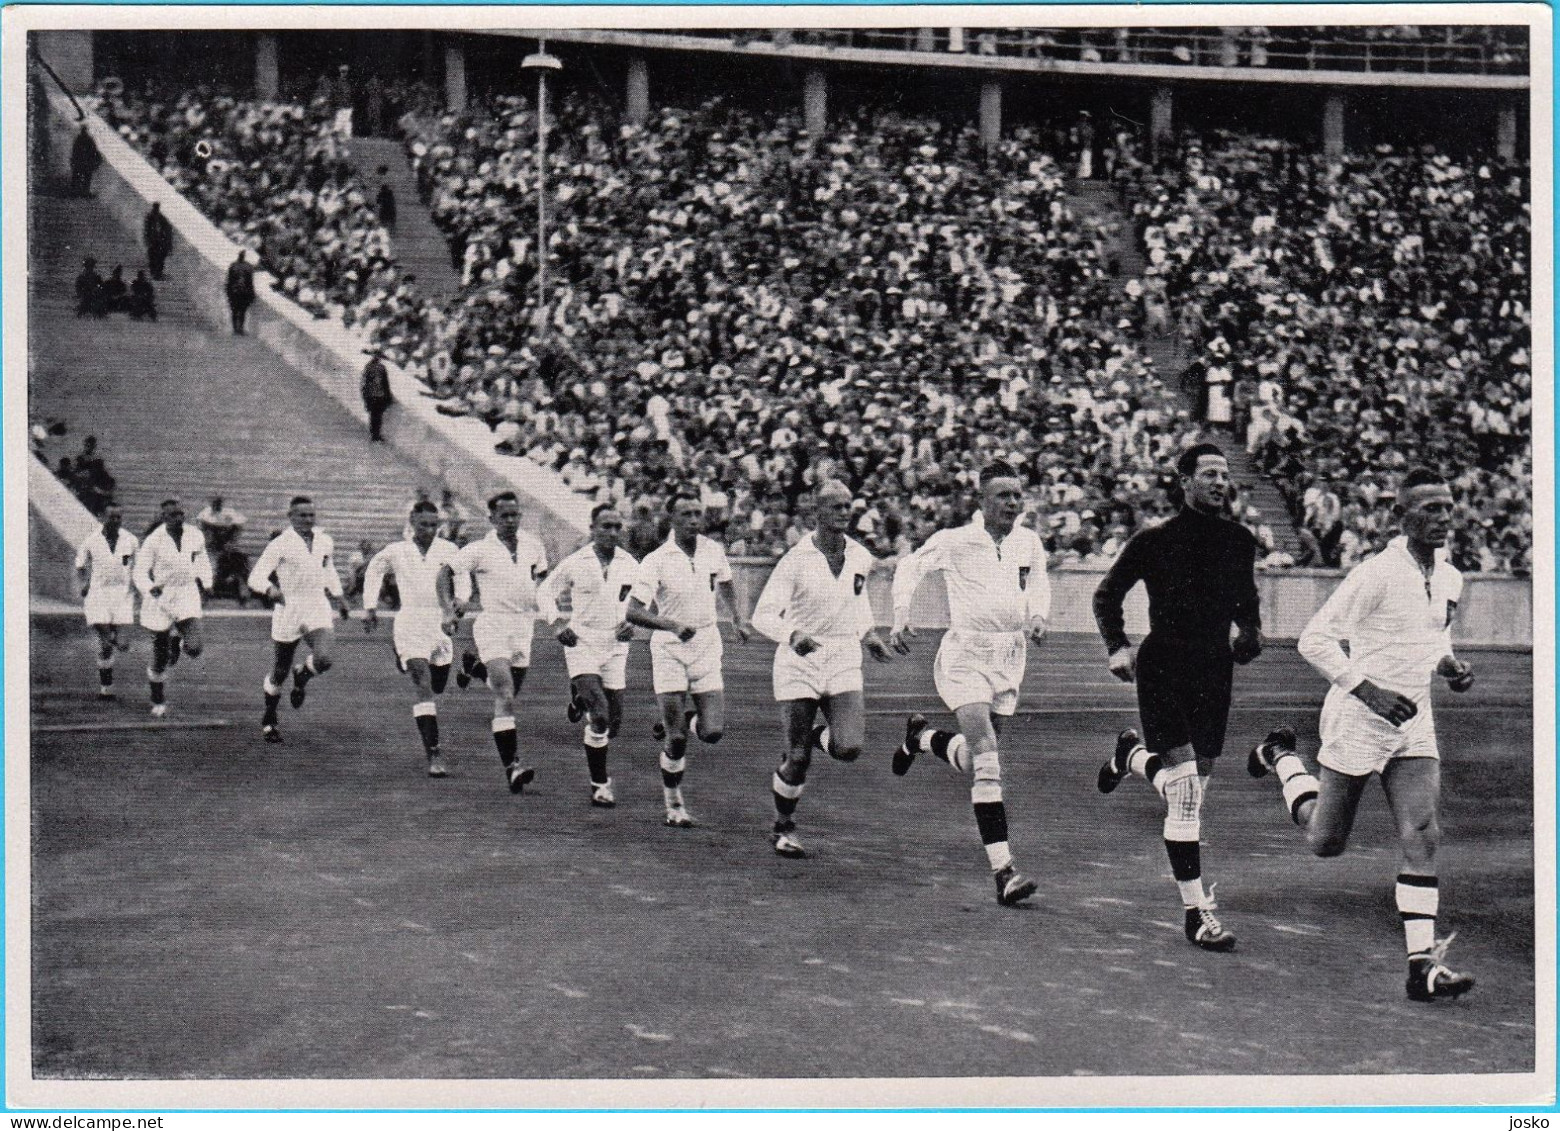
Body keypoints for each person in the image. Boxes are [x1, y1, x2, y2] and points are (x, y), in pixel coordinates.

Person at [1248, 467, 1477, 1001]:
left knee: (1423, 835)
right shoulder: (1375, 573)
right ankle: (1282, 758)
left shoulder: (1449, 576)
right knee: (1325, 842)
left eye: (1447, 507)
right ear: (1401, 516)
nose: (1443, 517)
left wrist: (1449, 666)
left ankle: (1422, 966)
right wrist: (1368, 691)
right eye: (1429, 508)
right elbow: (1314, 639)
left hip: (1414, 722)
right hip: (1358, 718)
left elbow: (1432, 639)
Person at [1092, 442, 1263, 952]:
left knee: (1190, 792)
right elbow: (1107, 595)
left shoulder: (1240, 540)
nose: (1218, 482)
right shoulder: (1154, 540)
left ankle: (1133, 757)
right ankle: (1197, 914)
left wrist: (1250, 632)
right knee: (1187, 793)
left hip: (1214, 669)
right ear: (1184, 481)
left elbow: (1246, 599)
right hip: (1164, 664)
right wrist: (1117, 646)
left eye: (1224, 474)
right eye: (1208, 473)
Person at [888, 460, 1052, 907]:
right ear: (982, 500)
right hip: (967, 656)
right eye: (1003, 495)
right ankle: (1004, 871)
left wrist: (1038, 616)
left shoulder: (1029, 542)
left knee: (979, 756)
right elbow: (909, 569)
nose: (1012, 503)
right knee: (987, 760)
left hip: (1010, 655)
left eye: (1017, 495)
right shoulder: (956, 541)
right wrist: (902, 617)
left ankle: (922, 740)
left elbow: (1037, 584)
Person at [751, 480, 893, 858]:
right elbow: (762, 615)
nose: (844, 513)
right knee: (797, 759)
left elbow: (857, 601)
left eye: (848, 506)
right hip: (800, 660)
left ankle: (815, 735)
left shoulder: (860, 555)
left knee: (849, 747)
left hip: (843, 657)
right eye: (836, 507)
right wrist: (791, 633)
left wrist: (869, 634)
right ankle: (783, 826)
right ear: (818, 511)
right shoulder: (796, 560)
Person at [628, 489, 753, 828]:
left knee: (712, 732)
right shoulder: (656, 559)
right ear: (671, 519)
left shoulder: (713, 550)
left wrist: (738, 619)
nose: (694, 520)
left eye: (697, 513)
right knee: (678, 738)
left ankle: (684, 717)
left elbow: (725, 583)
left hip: (707, 644)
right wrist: (670, 624)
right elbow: (633, 612)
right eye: (686, 514)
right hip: (670, 648)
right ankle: (674, 804)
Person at [537, 503, 643, 808]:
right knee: (599, 715)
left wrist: (631, 625)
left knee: (614, 724)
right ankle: (600, 784)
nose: (611, 532)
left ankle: (578, 697)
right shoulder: (576, 562)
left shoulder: (630, 564)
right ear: (592, 528)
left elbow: (642, 603)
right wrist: (557, 623)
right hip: (582, 641)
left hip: (615, 644)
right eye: (605, 526)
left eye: (616, 527)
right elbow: (545, 592)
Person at [442, 492, 549, 793]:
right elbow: (446, 571)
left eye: (515, 515)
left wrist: (539, 598)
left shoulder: (533, 545)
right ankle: (513, 767)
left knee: (511, 688)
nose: (512, 521)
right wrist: (448, 608)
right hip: (493, 624)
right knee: (505, 695)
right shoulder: (479, 549)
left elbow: (542, 575)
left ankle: (475, 669)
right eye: (505, 516)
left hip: (523, 626)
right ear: (492, 519)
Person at [363, 501, 461, 776]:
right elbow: (374, 570)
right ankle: (434, 753)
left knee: (439, 683)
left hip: (439, 622)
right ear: (412, 521)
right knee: (423, 684)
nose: (429, 530)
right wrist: (370, 606)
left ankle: (405, 658)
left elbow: (462, 575)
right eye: (423, 524)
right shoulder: (397, 551)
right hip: (409, 621)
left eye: (434, 525)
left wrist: (459, 603)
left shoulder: (449, 550)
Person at [247, 496, 351, 744]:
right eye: (302, 515)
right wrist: (271, 590)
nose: (307, 520)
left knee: (324, 658)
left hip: (316, 604)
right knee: (280, 671)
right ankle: (270, 718)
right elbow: (255, 577)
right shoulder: (280, 544)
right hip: (289, 607)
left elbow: (328, 569)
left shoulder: (325, 541)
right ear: (291, 516)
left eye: (311, 515)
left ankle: (304, 673)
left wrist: (339, 596)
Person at [133, 498, 212, 718]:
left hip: (186, 592)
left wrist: (207, 582)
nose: (178, 518)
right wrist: (149, 588)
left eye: (180, 514)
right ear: (164, 517)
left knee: (195, 648)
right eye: (172, 515)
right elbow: (139, 571)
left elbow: (202, 560)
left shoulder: (195, 535)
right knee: (160, 656)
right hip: (162, 595)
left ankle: (177, 639)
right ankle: (157, 699)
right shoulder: (153, 540)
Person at [74, 502, 138, 699]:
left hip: (122, 596)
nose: (116, 521)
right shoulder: (92, 540)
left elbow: (139, 564)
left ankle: (113, 637)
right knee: (106, 645)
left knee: (123, 645)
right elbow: (80, 564)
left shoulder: (131, 540)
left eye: (119, 517)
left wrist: (137, 584)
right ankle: (106, 688)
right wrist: (84, 582)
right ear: (103, 517)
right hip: (98, 594)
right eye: (112, 517)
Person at [361, 349, 394, 442]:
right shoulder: (381, 368)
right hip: (378, 395)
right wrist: (388, 395)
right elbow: (385, 383)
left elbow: (365, 383)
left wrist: (365, 396)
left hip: (372, 395)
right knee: (377, 416)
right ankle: (376, 435)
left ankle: (374, 434)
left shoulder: (369, 367)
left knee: (374, 415)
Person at [225, 250, 257, 335]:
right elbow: (250, 282)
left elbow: (229, 280)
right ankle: (241, 329)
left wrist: (228, 292)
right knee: (242, 311)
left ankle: (235, 329)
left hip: (234, 291)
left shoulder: (233, 266)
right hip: (244, 292)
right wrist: (252, 293)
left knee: (234, 311)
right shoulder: (249, 267)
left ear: (238, 256)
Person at [143, 202, 174, 281]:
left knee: (160, 258)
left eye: (157, 208)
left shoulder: (162, 218)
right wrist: (147, 239)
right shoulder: (149, 217)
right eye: (155, 207)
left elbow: (168, 231)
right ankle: (154, 273)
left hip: (161, 242)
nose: (156, 209)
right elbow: (146, 229)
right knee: (153, 257)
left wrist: (169, 244)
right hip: (153, 241)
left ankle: (158, 273)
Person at [69, 123, 101, 198]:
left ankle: (75, 192)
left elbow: (75, 151)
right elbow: (94, 150)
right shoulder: (89, 139)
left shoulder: (79, 138)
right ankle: (84, 192)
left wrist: (73, 160)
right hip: (86, 162)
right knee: (86, 177)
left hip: (80, 161)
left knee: (77, 176)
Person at [375, 166, 398, 230]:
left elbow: (378, 199)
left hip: (386, 203)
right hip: (389, 201)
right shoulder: (388, 178)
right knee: (391, 214)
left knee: (384, 215)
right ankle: (391, 226)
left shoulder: (384, 179)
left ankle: (385, 226)